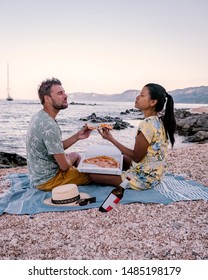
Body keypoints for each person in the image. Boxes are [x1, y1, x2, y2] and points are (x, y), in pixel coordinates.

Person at [88, 83, 176, 190]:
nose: (137, 97)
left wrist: (110, 139)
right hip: (156, 174)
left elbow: (136, 157)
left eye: (142, 95)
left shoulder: (147, 123)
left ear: (153, 102)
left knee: (93, 175)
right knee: (121, 159)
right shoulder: (159, 120)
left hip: (145, 179)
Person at [26, 78, 92, 191]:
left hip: (37, 176)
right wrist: (70, 163)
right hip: (50, 180)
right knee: (93, 173)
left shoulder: (40, 116)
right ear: (47, 99)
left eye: (64, 92)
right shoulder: (49, 125)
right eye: (60, 93)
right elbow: (64, 166)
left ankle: (80, 169)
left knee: (75, 155)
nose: (66, 95)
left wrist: (77, 136)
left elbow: (53, 146)